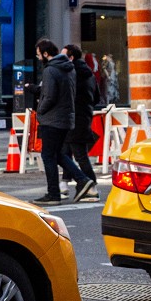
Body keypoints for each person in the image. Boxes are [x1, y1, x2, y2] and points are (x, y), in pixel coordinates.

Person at [33, 39, 96, 205]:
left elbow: (49, 96)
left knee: (49, 155)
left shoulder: (51, 70)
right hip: (68, 118)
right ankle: (82, 180)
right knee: (59, 153)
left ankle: (55, 193)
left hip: (53, 119)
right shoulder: (69, 69)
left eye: (39, 54)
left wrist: (40, 110)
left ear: (46, 54)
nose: (38, 57)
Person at [62, 43, 100, 201]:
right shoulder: (89, 74)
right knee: (66, 152)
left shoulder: (71, 73)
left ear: (71, 57)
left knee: (79, 155)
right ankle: (63, 184)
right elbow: (96, 97)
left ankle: (91, 187)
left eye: (63, 56)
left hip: (73, 119)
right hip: (83, 117)